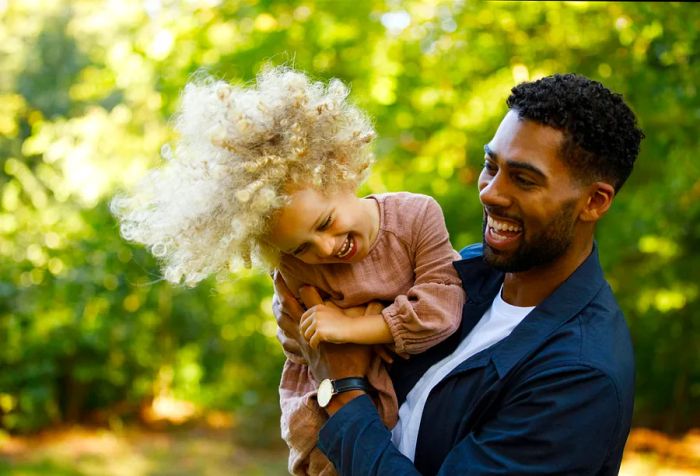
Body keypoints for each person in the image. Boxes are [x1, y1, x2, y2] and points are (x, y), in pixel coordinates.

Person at [274, 73, 644, 475]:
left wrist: (341, 384)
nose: (489, 192)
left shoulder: (579, 376)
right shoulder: (465, 273)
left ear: (593, 201)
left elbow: (343, 369)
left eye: (523, 179)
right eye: (491, 165)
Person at [110, 67, 465, 476]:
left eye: (325, 222)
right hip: (328, 401)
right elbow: (304, 349)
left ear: (341, 169)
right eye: (300, 248)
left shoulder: (414, 216)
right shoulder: (295, 271)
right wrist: (344, 338)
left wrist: (349, 327)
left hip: (413, 395)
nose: (327, 248)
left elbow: (442, 307)